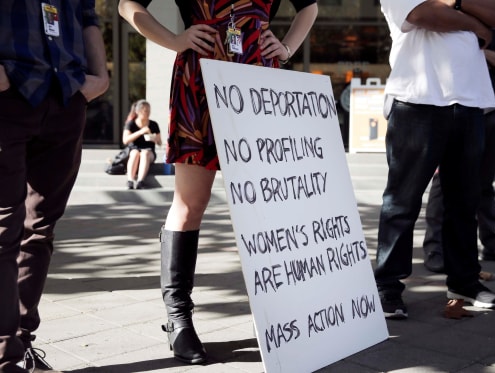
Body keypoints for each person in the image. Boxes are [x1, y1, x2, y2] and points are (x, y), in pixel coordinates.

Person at [118, 0, 317, 364]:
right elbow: (127, 5)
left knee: (270, 204)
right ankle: (178, 320)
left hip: (259, 82)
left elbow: (310, 6)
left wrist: (287, 47)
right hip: (199, 79)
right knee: (191, 202)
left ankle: (287, 317)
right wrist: (174, 40)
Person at [375, 0, 495, 320]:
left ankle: (464, 282)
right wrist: (475, 24)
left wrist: (461, 5)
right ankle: (387, 284)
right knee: (402, 201)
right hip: (416, 100)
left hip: (470, 102)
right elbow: (421, 14)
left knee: (465, 201)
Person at [0, 1, 109, 372]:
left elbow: (87, 15)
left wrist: (101, 76)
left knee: (41, 228)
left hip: (65, 98)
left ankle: (21, 339)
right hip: (8, 97)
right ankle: (4, 357)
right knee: (3, 229)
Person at [423, 29, 495, 274]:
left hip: (492, 109)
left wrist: (482, 51)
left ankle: (491, 244)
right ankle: (434, 248)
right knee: (442, 181)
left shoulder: (491, 26)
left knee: (486, 182)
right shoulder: (444, 20)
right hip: (452, 106)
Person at [122, 99, 162, 189]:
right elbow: (125, 140)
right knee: (135, 153)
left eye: (149, 110)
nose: (148, 113)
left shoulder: (153, 124)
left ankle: (140, 181)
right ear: (138, 112)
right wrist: (140, 132)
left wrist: (155, 138)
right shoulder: (131, 124)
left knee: (145, 153)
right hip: (134, 149)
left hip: (149, 151)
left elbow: (160, 142)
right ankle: (130, 180)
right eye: (145, 111)